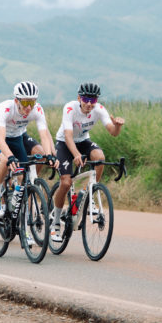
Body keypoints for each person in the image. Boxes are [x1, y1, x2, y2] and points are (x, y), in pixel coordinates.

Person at [50, 82, 125, 242]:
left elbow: (113, 132)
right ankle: (55, 222)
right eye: (86, 99)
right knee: (65, 183)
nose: (90, 104)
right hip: (64, 142)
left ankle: (90, 192)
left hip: (83, 140)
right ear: (79, 98)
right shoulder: (70, 108)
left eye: (93, 100)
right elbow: (68, 136)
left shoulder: (99, 109)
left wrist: (117, 126)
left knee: (99, 157)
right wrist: (76, 154)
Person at [0, 81, 58, 218]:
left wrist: (50, 155)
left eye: (33, 102)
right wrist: (10, 157)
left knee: (23, 176)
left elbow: (44, 134)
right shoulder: (5, 108)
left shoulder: (37, 109)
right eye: (25, 103)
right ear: (16, 100)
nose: (29, 107)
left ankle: (22, 207)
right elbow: (0, 139)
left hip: (17, 136)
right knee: (5, 160)